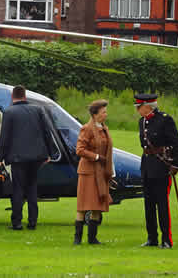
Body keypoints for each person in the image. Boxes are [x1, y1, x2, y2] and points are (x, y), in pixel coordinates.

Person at [0, 85, 53, 230]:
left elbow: (5, 137)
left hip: (17, 158)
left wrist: (0, 157)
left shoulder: (9, 112)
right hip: (36, 157)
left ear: (12, 96)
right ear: (25, 96)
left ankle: (17, 222)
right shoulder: (38, 110)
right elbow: (47, 132)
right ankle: (32, 221)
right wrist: (50, 153)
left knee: (18, 189)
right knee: (32, 189)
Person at [134, 94, 178, 249]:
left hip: (161, 167)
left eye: (139, 107)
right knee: (148, 204)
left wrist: (176, 164)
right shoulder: (142, 122)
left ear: (148, 106)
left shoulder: (165, 120)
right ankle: (152, 238)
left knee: (162, 204)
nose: (137, 110)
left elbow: (176, 142)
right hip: (147, 166)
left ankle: (166, 239)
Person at [73, 99, 116, 245]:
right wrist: (96, 157)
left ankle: (92, 239)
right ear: (95, 114)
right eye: (103, 112)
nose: (106, 114)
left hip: (101, 173)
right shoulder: (87, 129)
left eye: (105, 111)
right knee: (84, 206)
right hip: (88, 172)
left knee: (98, 206)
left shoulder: (104, 128)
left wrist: (110, 169)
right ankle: (77, 239)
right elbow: (79, 150)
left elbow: (108, 152)